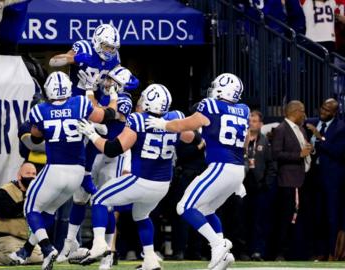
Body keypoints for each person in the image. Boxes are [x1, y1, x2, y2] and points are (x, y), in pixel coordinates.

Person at [8, 71, 118, 270]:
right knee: (48, 210)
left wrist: (31, 127)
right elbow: (104, 116)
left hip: (55, 169)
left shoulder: (40, 110)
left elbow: (36, 138)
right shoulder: (79, 103)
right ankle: (25, 251)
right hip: (77, 172)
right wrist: (113, 101)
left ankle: (48, 248)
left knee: (30, 209)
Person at [76, 84, 193, 270]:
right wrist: (167, 127)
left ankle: (99, 243)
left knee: (99, 199)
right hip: (163, 184)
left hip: (141, 180)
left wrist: (91, 134)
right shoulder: (176, 117)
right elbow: (189, 137)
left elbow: (113, 149)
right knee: (141, 215)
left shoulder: (138, 120)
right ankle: (150, 259)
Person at [146, 73, 250, 270]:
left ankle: (219, 244)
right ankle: (221, 256)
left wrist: (163, 124)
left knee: (184, 207)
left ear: (222, 89)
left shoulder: (211, 106)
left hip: (220, 166)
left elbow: (185, 125)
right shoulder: (243, 110)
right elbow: (244, 141)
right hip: (237, 168)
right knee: (207, 210)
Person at [56, 66, 135, 270]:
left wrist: (90, 93)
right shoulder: (108, 96)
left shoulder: (124, 99)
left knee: (107, 203)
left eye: (110, 80)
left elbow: (103, 116)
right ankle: (69, 243)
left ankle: (107, 252)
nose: (106, 83)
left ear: (120, 84)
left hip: (112, 155)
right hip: (94, 151)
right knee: (79, 198)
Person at [0, 162, 43, 266]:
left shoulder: (34, 193)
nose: (32, 177)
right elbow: (2, 211)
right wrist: (26, 204)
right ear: (19, 176)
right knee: (15, 258)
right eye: (28, 173)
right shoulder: (6, 190)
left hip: (25, 239)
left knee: (39, 258)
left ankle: (6, 255)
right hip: (5, 236)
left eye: (34, 174)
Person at [49, 23, 138, 98]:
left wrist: (124, 80)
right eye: (107, 46)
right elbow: (52, 62)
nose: (110, 51)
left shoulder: (115, 56)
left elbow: (114, 77)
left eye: (113, 48)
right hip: (75, 97)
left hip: (97, 100)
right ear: (97, 41)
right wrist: (75, 58)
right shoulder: (84, 48)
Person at [271, 100, 311, 261]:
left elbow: (303, 150)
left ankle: (296, 252)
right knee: (286, 218)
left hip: (301, 180)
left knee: (298, 218)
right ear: (295, 111)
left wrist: (309, 150)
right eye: (302, 111)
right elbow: (276, 154)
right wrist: (298, 155)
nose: (304, 114)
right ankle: (281, 252)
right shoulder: (281, 129)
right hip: (288, 181)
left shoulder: (300, 129)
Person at [305, 99, 345, 260]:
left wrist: (319, 138)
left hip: (333, 182)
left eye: (327, 110)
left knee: (331, 217)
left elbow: (339, 152)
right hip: (313, 178)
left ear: (334, 113)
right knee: (316, 216)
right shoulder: (312, 123)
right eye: (322, 107)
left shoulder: (341, 128)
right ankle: (318, 252)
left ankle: (332, 253)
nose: (323, 112)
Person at [243, 110, 277, 261]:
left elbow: (272, 165)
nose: (251, 122)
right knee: (242, 220)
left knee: (260, 221)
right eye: (249, 120)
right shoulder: (240, 140)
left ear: (261, 124)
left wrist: (266, 183)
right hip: (241, 186)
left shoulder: (265, 141)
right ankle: (242, 251)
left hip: (260, 186)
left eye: (255, 120)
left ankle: (257, 251)